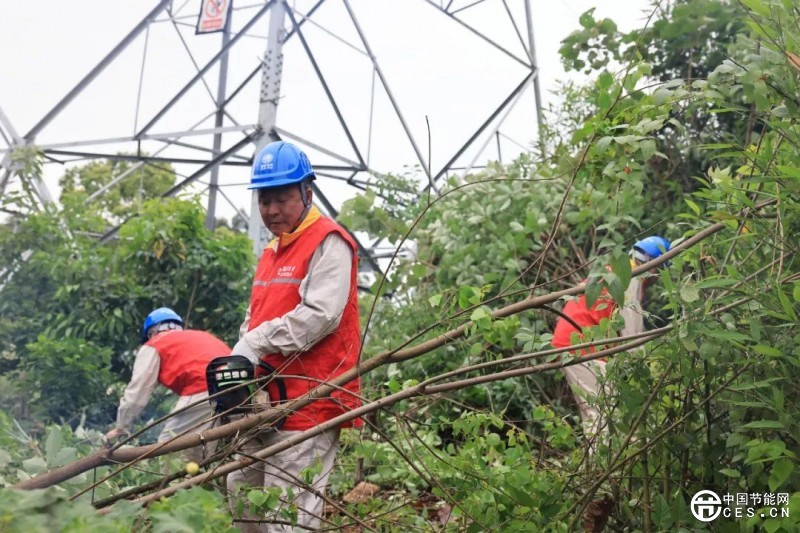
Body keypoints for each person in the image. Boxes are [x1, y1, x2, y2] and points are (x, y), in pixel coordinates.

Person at [227, 141, 362, 532]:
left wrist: (255, 343)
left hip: (309, 400)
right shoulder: (272, 250)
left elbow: (320, 316)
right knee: (242, 495)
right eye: (264, 200)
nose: (271, 210)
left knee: (287, 515)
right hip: (264, 401)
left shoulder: (328, 241)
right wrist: (242, 351)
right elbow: (255, 318)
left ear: (307, 192)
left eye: (282, 199)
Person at [551, 236, 671, 441]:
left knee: (598, 413)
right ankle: (603, 470)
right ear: (656, 267)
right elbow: (632, 339)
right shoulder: (629, 280)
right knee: (602, 414)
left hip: (579, 343)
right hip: (582, 346)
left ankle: (600, 466)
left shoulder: (615, 270)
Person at [104, 307, 230, 463]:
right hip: (238, 386)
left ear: (151, 333)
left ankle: (171, 485)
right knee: (203, 451)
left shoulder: (154, 344)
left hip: (203, 387)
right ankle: (200, 484)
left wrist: (121, 428)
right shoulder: (200, 336)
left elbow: (136, 395)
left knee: (167, 446)